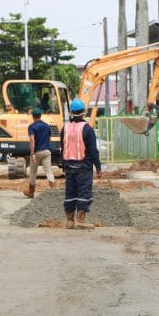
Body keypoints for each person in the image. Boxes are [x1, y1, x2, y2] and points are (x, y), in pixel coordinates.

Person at [60, 98, 102, 229]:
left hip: (69, 166)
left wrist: (63, 165)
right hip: (83, 166)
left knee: (70, 192)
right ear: (83, 113)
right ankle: (80, 220)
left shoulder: (64, 128)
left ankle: (70, 221)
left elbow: (63, 147)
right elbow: (93, 150)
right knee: (84, 192)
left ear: (71, 113)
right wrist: (98, 167)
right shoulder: (87, 129)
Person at [23, 108, 56, 199]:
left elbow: (32, 140)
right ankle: (54, 190)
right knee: (49, 171)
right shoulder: (46, 126)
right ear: (40, 115)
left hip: (37, 152)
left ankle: (31, 192)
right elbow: (49, 138)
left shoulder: (32, 126)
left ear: (33, 116)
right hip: (47, 151)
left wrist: (32, 153)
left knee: (33, 172)